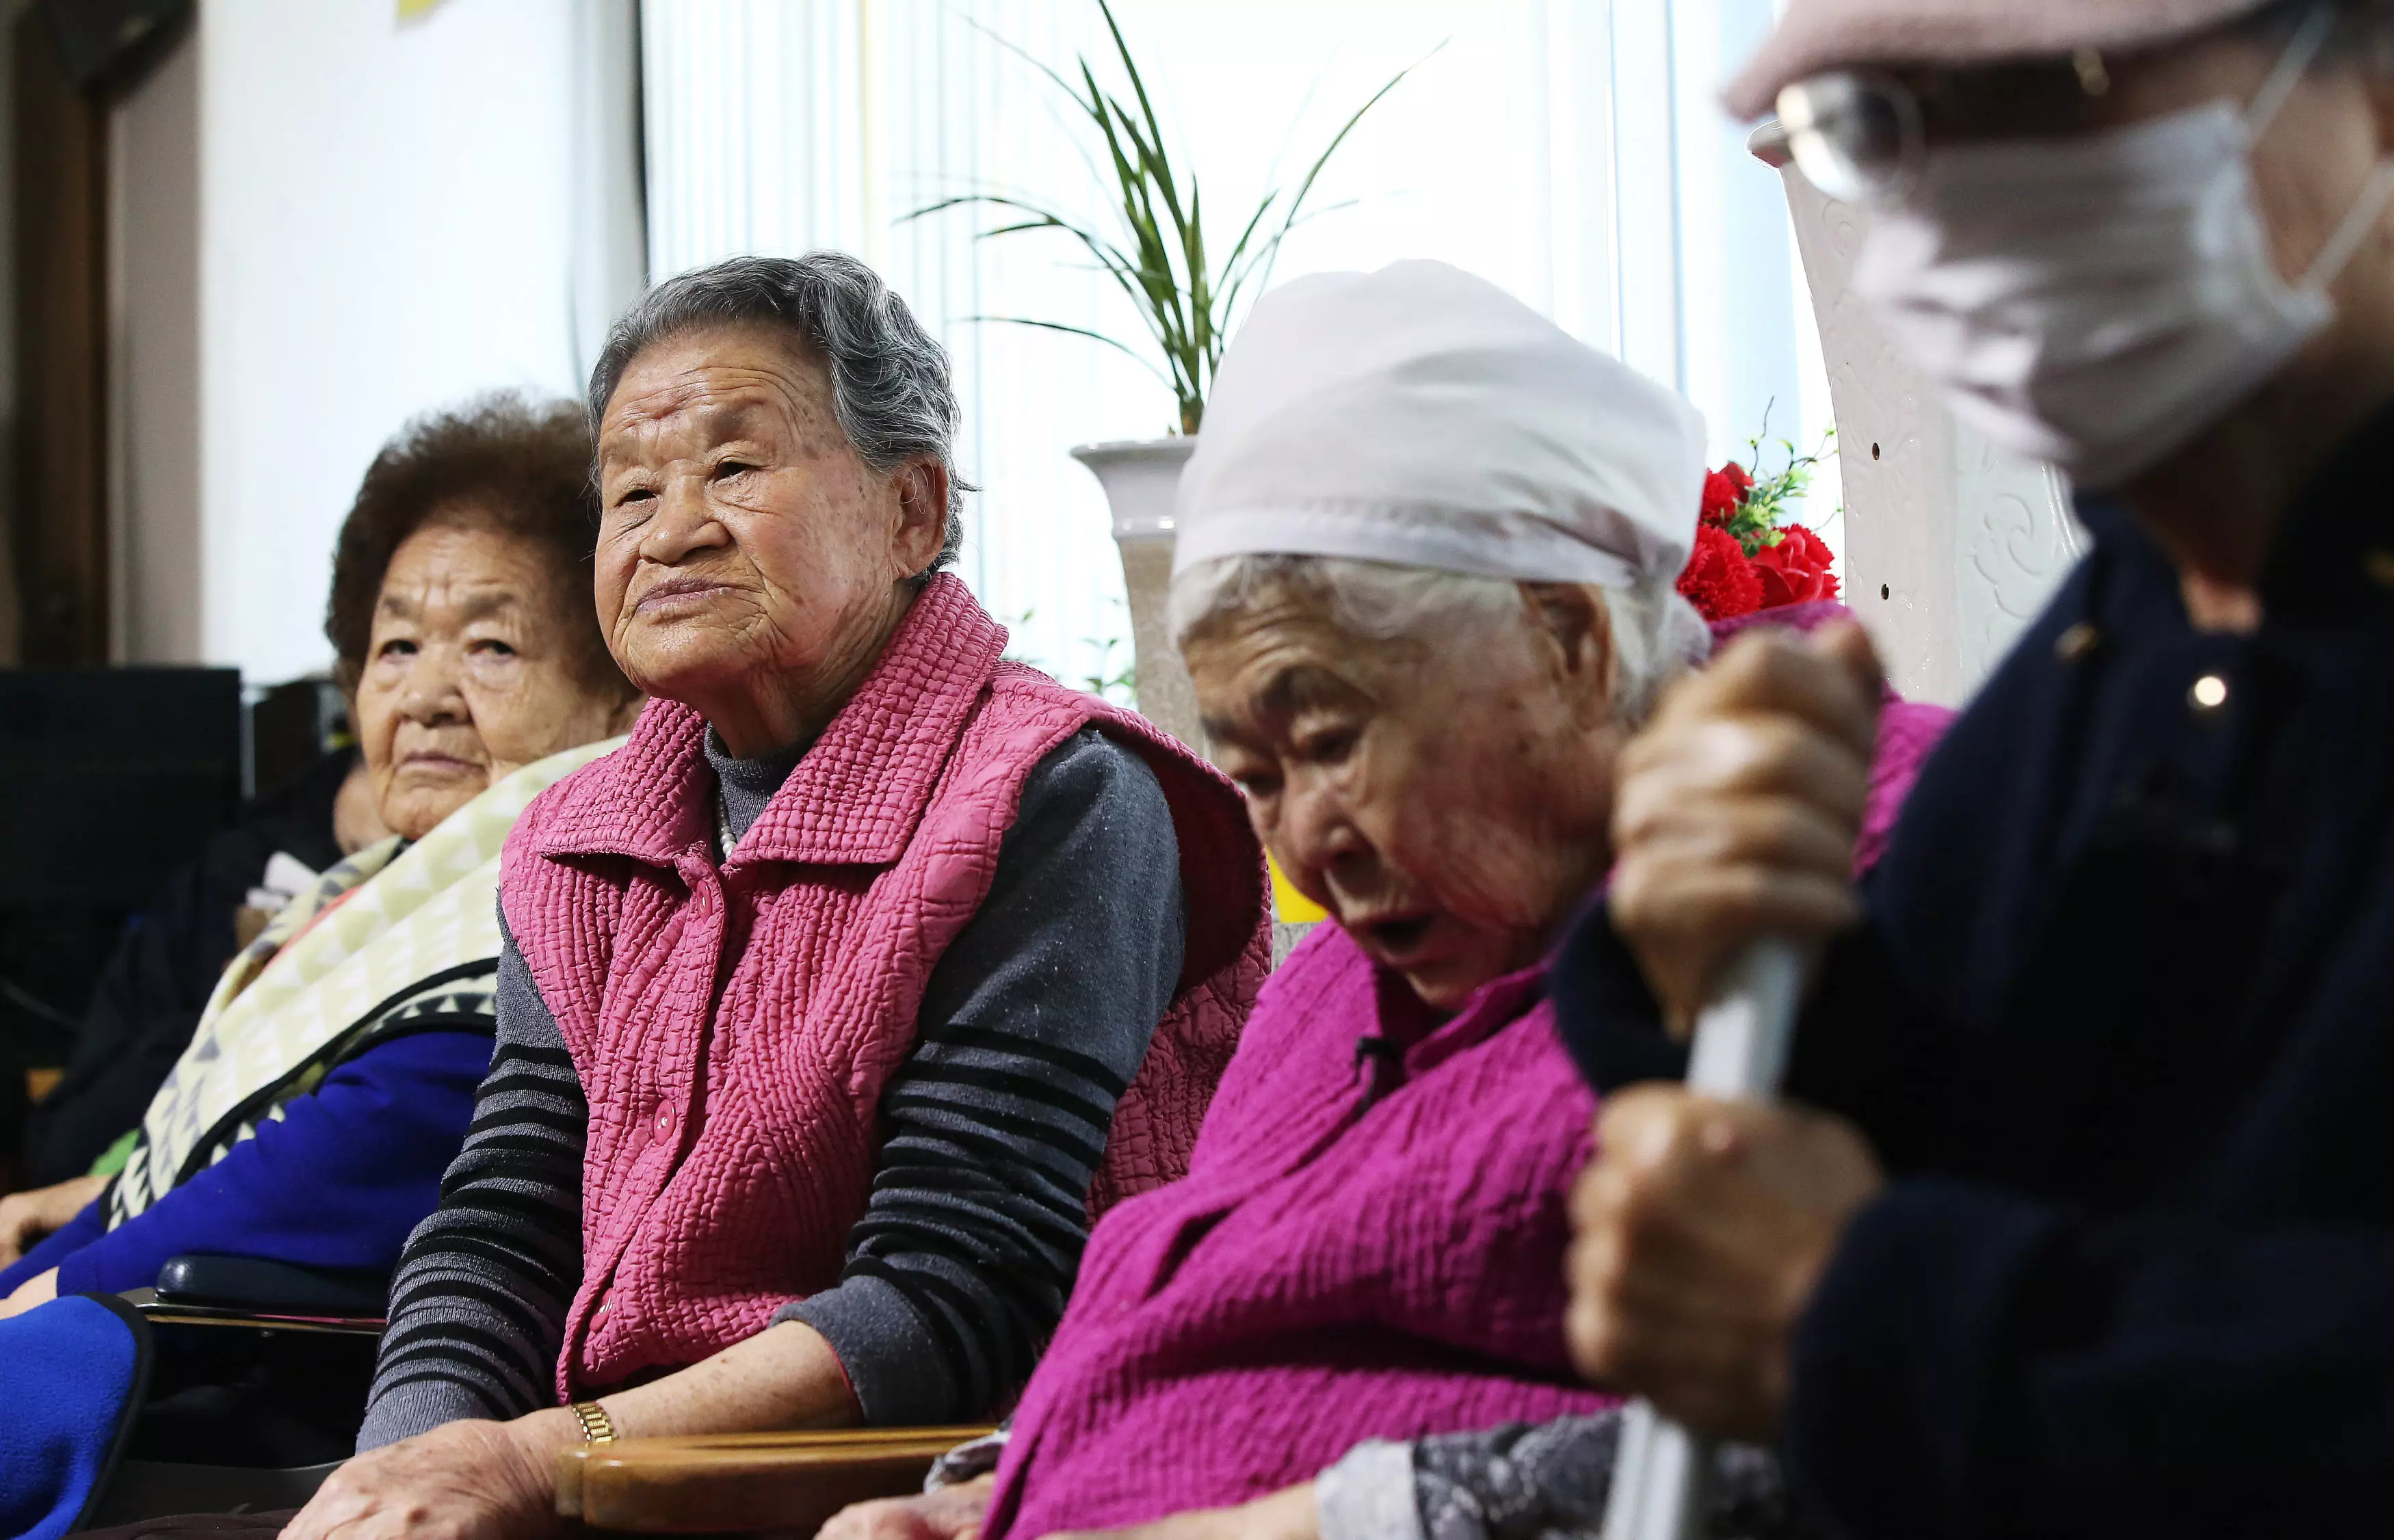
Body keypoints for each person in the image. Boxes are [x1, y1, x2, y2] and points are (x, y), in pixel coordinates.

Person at [823, 261, 1949, 1540]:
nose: (1307, 846)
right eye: (1256, 778)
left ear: (1570, 638)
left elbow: (1916, 1410)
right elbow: (1216, 1344)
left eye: (1334, 738)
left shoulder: (1864, 862)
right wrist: (992, 1490)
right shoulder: (1333, 980)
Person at [1555, 1, 2394, 1535]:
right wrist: (1714, 948)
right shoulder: (2138, 613)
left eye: (2056, 93)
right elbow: (1967, 1104)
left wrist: (1868, 1309)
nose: (1961, 208)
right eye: (1878, 128)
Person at [278, 252, 1268, 1540]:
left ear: (913, 511)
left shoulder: (1056, 795)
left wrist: (539, 1462)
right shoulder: (577, 838)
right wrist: (404, 1472)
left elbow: (953, 1297)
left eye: (735, 470)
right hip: (602, 1479)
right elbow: (504, 1222)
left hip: (935, 1491)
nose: (672, 528)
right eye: (631, 490)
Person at [0, 392, 641, 1314]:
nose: (426, 695)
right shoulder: (361, 898)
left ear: (623, 700)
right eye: (397, 646)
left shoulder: (552, 909)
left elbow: (333, 1165)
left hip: (264, 1394)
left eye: (493, 647)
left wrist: (45, 1292)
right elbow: (169, 1175)